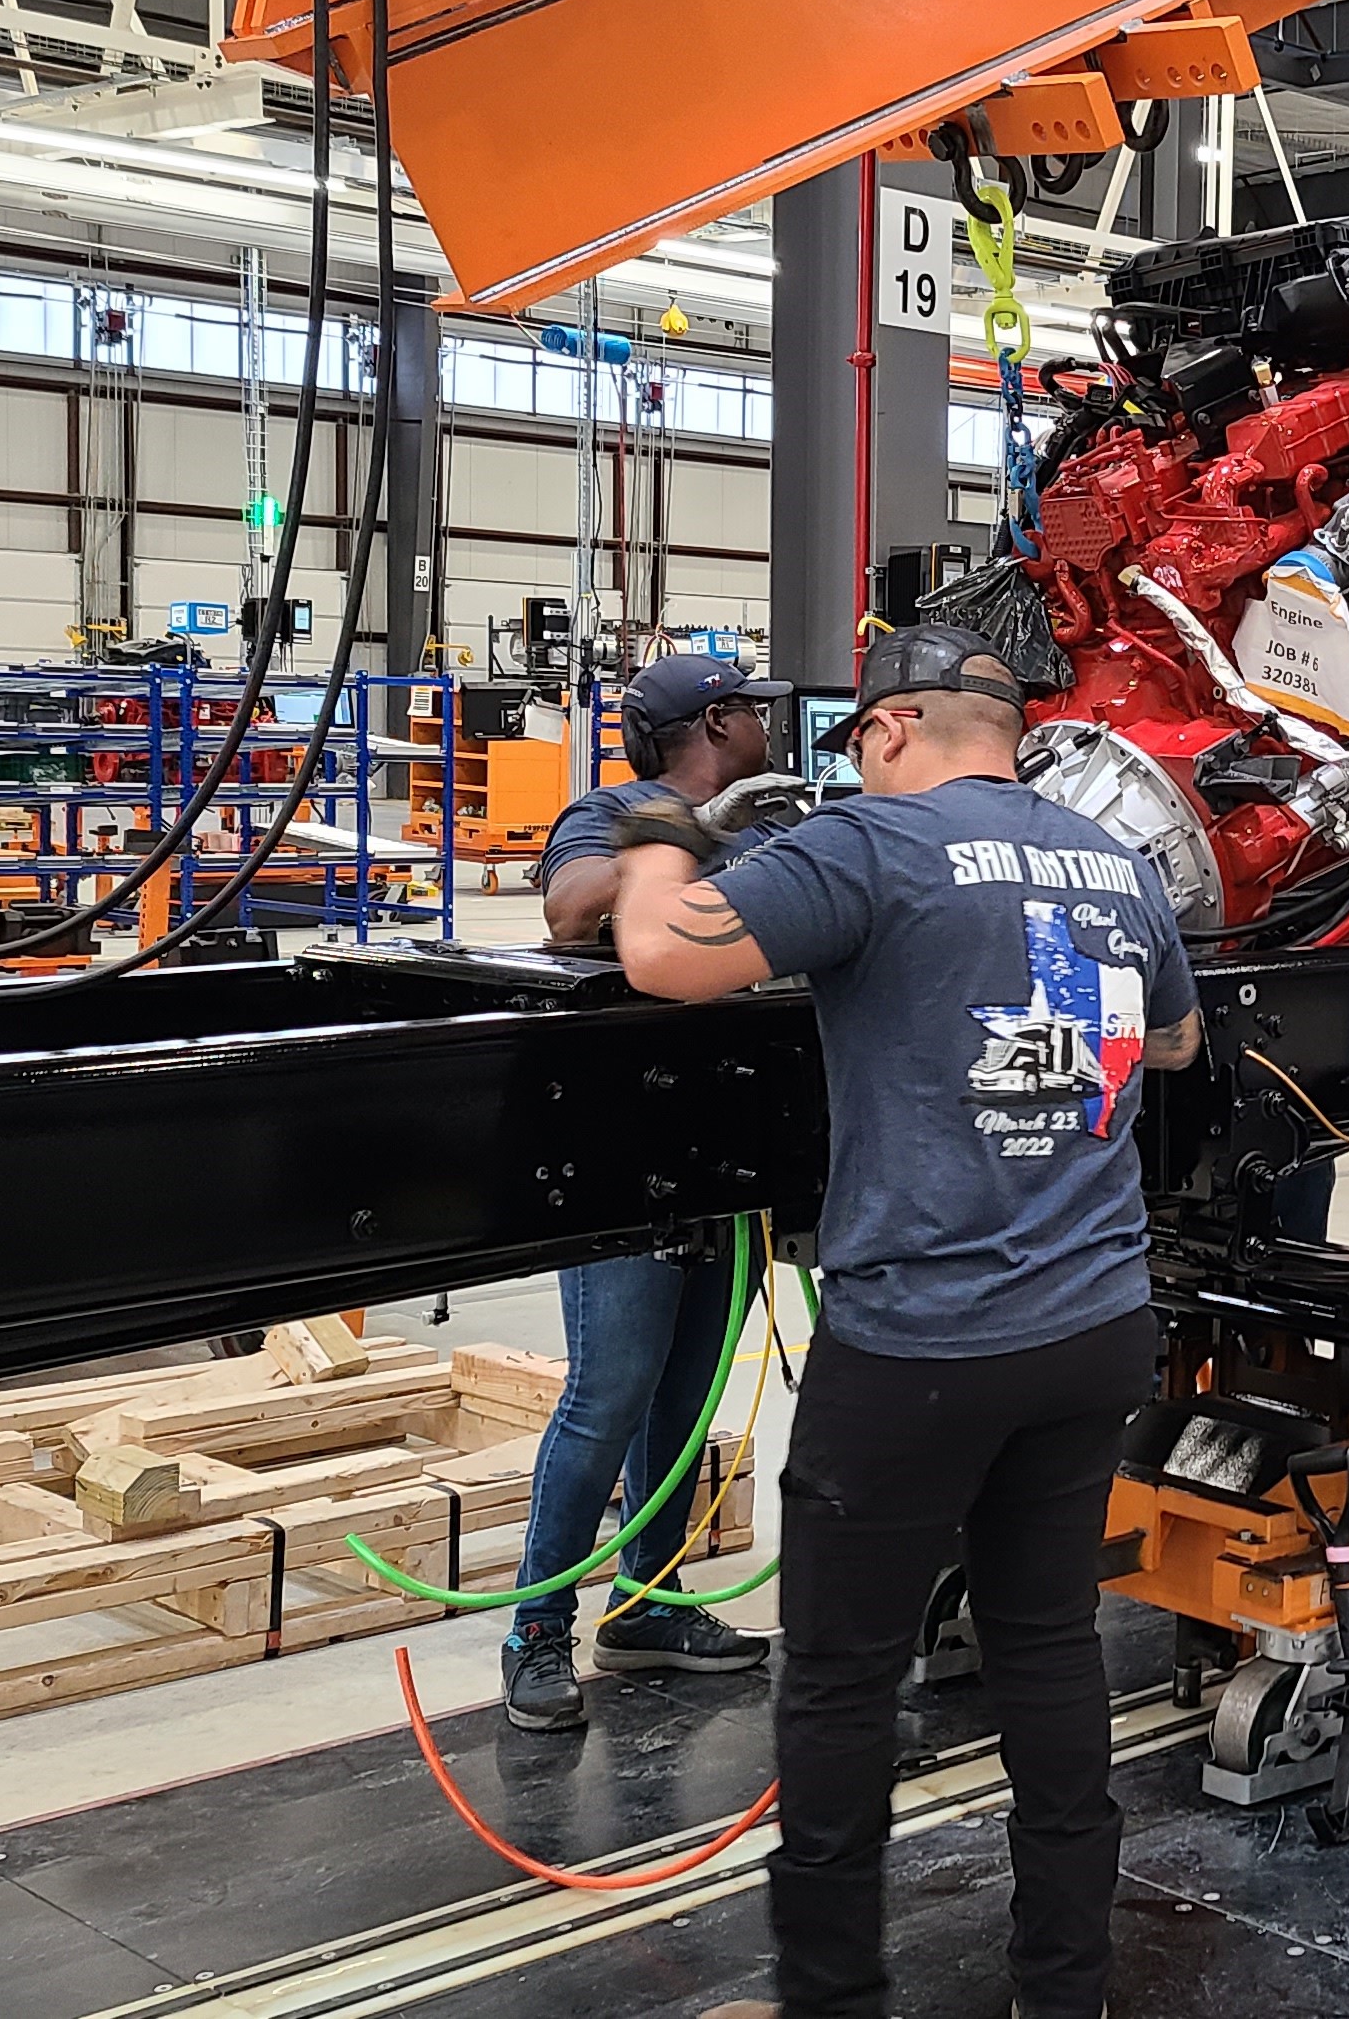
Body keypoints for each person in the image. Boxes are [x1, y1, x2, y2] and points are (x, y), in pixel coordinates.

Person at [611, 622, 1200, 2019]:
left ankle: (831, 1997)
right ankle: (1064, 1993)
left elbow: (662, 958)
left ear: (886, 733)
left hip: (923, 1344)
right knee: (1048, 1645)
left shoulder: (871, 847)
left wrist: (651, 829)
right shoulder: (1113, 862)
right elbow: (1170, 1040)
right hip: (1094, 1322)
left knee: (839, 1680)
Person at [504, 651, 800, 1731]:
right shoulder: (613, 811)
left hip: (730, 1159)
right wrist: (694, 828)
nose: (774, 731)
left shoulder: (775, 822)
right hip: (631, 1160)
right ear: (717, 722)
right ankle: (536, 1633)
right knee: (608, 1397)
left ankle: (649, 1602)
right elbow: (570, 916)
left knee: (683, 1401)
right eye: (756, 715)